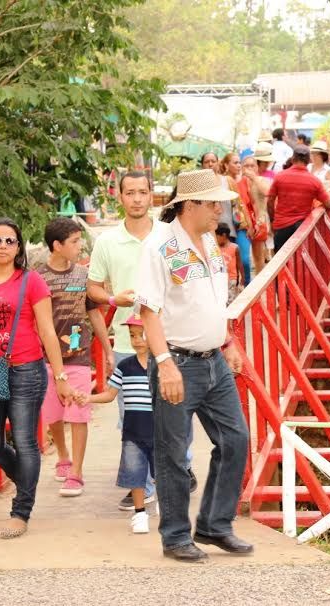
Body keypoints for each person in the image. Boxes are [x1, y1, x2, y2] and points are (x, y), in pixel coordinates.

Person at [135, 168, 251, 562]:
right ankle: (175, 536)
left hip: (214, 360)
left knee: (235, 439)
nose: (220, 210)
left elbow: (212, 301)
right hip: (178, 362)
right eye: (214, 203)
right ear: (190, 204)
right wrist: (164, 364)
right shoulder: (160, 246)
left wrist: (229, 340)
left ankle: (215, 525)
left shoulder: (208, 242)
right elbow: (148, 311)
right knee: (171, 452)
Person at [0, 217, 78, 539]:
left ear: (18, 247)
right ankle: (27, 479)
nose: (3, 246)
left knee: (25, 441)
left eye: (9, 241)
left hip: (26, 370)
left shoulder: (31, 281)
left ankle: (21, 510)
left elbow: (47, 330)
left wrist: (61, 376)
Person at [87, 171, 197, 510]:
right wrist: (111, 299)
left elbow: (190, 279)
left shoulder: (170, 235)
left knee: (177, 412)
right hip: (126, 341)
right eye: (130, 192)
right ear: (119, 197)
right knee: (131, 417)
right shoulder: (106, 242)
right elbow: (91, 289)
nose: (136, 198)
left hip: (171, 340)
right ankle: (143, 483)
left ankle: (181, 467)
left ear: (152, 196)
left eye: (142, 192)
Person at [36, 217, 112, 497]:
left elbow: (94, 313)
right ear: (57, 245)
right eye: (75, 242)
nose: (80, 247)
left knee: (78, 411)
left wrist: (106, 350)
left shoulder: (83, 276)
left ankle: (76, 473)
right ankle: (63, 456)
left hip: (79, 356)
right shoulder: (38, 277)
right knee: (53, 414)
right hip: (45, 359)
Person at [88, 315, 155, 534]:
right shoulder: (124, 366)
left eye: (141, 334)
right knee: (135, 473)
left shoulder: (163, 366)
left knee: (163, 472)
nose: (137, 340)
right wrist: (88, 398)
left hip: (160, 429)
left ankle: (168, 509)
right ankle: (140, 513)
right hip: (133, 430)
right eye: (132, 335)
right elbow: (109, 394)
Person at [266, 145, 330, 253]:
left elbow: (270, 201)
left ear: (292, 159)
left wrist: (273, 220)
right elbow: (328, 204)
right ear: (309, 161)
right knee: (301, 264)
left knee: (281, 263)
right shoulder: (314, 181)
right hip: (303, 228)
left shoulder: (279, 177)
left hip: (281, 226)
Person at [219, 152, 252, 285]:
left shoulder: (246, 180)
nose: (239, 165)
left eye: (240, 162)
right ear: (226, 165)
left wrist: (249, 223)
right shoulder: (221, 181)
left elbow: (243, 204)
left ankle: (248, 287)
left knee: (244, 260)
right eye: (235, 162)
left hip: (240, 224)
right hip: (224, 227)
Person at [239, 153, 272, 274]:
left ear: (257, 167)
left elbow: (267, 191)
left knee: (259, 257)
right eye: (246, 165)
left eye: (252, 165)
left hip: (260, 221)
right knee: (246, 257)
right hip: (244, 222)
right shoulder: (239, 182)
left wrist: (254, 178)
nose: (249, 168)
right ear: (242, 168)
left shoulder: (261, 180)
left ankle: (261, 283)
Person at [215, 223, 243, 303]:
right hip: (220, 278)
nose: (215, 239)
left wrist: (242, 279)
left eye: (217, 236)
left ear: (223, 235)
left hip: (232, 279)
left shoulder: (234, 247)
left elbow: (239, 264)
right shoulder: (216, 248)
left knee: (230, 301)